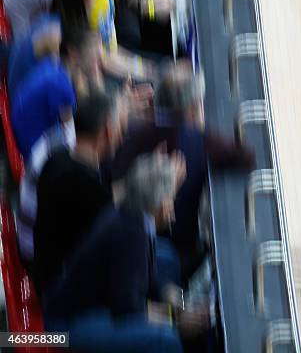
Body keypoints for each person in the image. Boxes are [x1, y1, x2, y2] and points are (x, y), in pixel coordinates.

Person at [42, 153, 207, 353]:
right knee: (167, 339)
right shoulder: (131, 236)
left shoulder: (133, 215)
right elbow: (127, 307)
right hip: (65, 325)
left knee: (168, 257)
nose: (172, 212)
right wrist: (175, 321)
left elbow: (148, 275)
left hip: (84, 304)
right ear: (162, 205)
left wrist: (181, 300)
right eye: (172, 199)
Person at [111, 61, 254, 280]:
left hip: (126, 228)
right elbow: (246, 156)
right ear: (194, 106)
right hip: (175, 246)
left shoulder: (133, 129)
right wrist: (200, 126)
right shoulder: (198, 140)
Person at [33, 90, 123, 291]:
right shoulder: (86, 187)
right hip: (60, 291)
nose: (122, 132)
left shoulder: (58, 157)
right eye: (120, 126)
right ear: (108, 130)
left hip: (46, 271)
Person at [10, 26, 102, 160]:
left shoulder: (53, 63)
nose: (99, 56)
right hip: (32, 149)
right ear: (73, 53)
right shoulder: (62, 86)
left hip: (23, 131)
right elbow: (71, 138)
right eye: (93, 50)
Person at [8, 0, 96, 97]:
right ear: (79, 1)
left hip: (32, 86)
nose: (95, 1)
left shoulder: (56, 20)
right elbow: (64, 82)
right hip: (20, 94)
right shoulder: (54, 35)